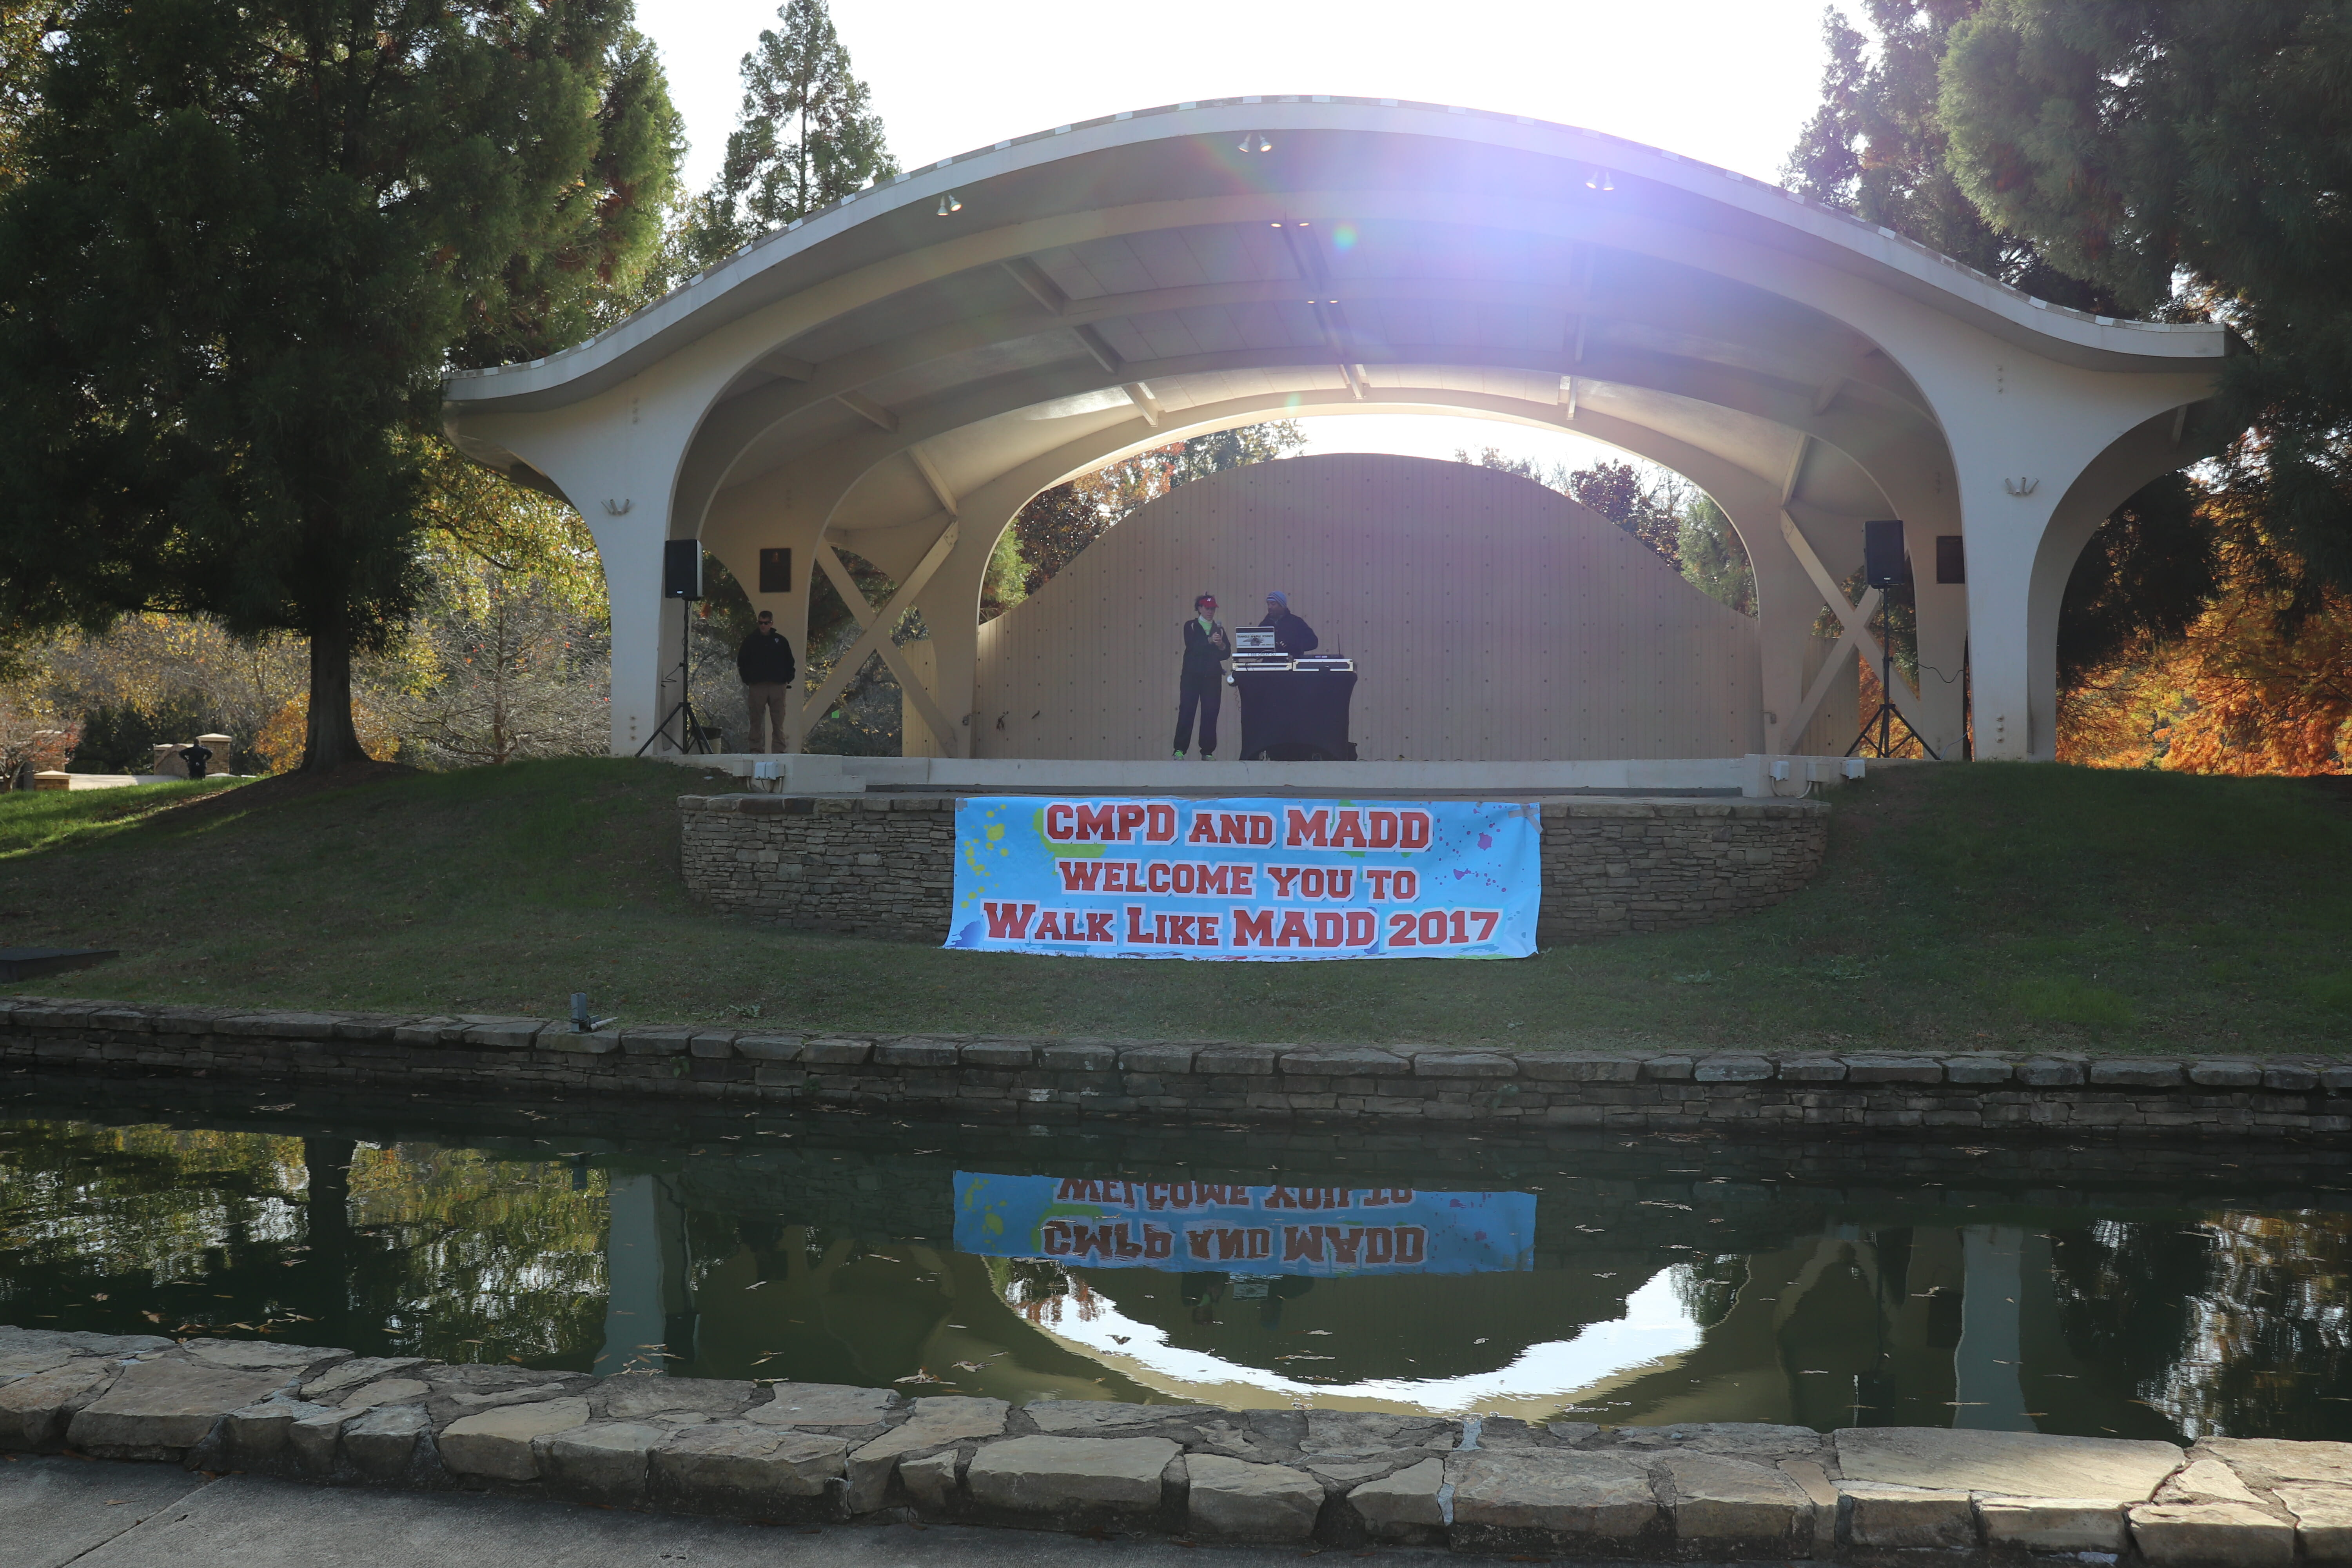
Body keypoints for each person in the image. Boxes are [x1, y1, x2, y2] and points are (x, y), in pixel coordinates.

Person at [1173, 593, 1229, 759]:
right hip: (1191, 676)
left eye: (1213, 609)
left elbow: (1226, 654)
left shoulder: (1219, 629)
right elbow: (1193, 646)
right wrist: (1210, 642)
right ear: (1200, 609)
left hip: (1212, 677)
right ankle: (1180, 749)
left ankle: (1207, 751)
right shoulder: (1191, 625)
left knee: (1211, 712)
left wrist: (1221, 645)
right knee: (1187, 711)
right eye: (1207, 608)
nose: (1210, 612)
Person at [736, 610, 797, 753]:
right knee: (756, 719)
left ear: (772, 623)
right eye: (761, 623)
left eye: (766, 623)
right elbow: (742, 661)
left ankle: (779, 750)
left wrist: (787, 679)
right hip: (757, 685)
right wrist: (748, 680)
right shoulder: (751, 641)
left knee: (778, 719)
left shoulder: (780, 641)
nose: (763, 626)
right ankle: (755, 749)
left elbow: (790, 661)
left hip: (778, 685)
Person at [1260, 590, 1318, 655]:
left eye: (1273, 604)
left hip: (1292, 661)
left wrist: (1292, 644)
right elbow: (1256, 647)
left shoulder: (1297, 623)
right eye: (1268, 604)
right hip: (1270, 661)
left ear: (1282, 606)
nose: (1270, 607)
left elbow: (1313, 642)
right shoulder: (1265, 624)